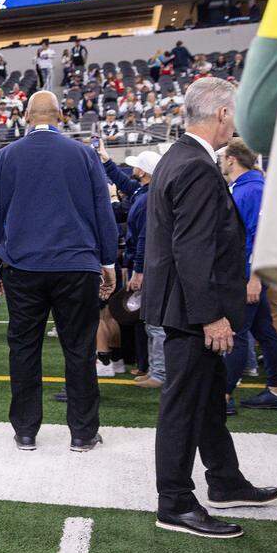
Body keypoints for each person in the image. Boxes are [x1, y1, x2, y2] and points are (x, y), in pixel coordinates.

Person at [142, 77, 277, 539]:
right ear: (222, 114)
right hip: (192, 311)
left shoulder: (180, 157)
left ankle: (224, 480)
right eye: (234, 113)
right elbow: (193, 248)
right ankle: (175, 503)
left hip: (184, 307)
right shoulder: (198, 166)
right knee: (184, 405)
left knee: (204, 402)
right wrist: (211, 315)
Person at [0, 91, 116, 452]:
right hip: (77, 265)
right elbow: (103, 210)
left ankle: (26, 431)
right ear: (60, 115)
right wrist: (108, 261)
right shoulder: (85, 154)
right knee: (79, 348)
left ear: (26, 116)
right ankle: (83, 433)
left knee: (24, 348)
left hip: (24, 265)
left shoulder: (6, 156)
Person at [218, 138, 277, 413]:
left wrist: (254, 278)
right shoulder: (248, 187)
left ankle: (223, 397)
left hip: (247, 274)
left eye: (223, 156)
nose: (220, 160)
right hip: (248, 273)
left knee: (236, 334)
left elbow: (259, 237)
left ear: (232, 159)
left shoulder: (251, 190)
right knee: (264, 330)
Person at [101, 147, 164, 388]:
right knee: (147, 322)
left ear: (145, 172)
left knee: (153, 323)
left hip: (147, 266)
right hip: (143, 264)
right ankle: (151, 368)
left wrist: (138, 270)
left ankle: (159, 372)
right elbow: (125, 183)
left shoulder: (148, 198)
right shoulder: (144, 192)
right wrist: (107, 162)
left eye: (137, 165)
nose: (133, 168)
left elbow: (144, 239)